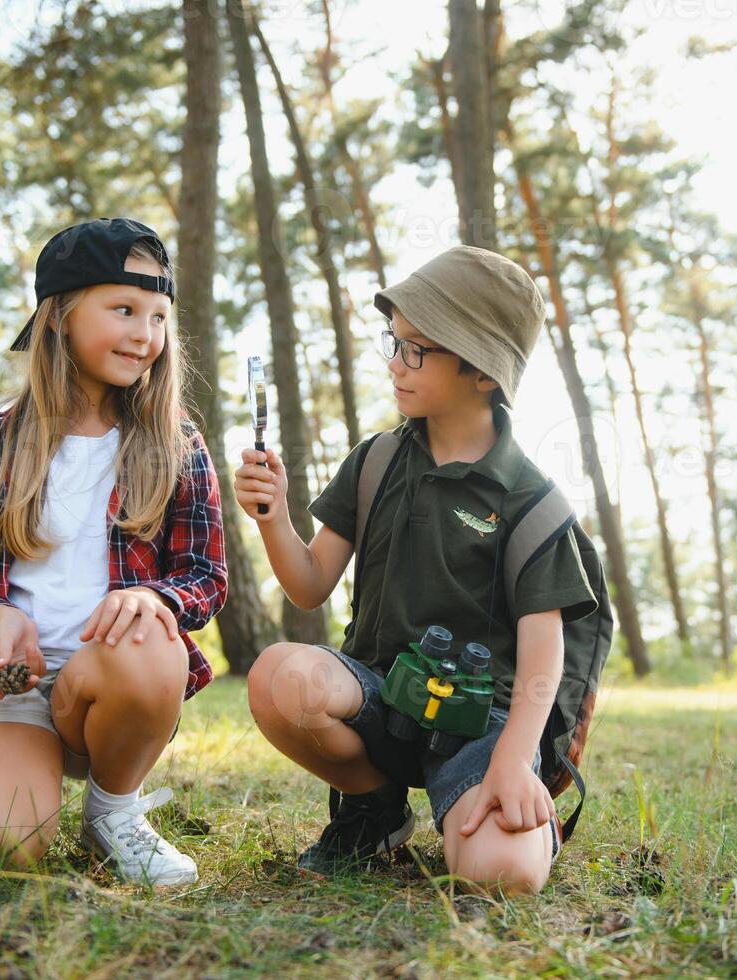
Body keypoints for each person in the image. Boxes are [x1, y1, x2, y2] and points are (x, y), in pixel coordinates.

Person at [234, 245, 597, 895]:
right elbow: (310, 583)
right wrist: (270, 516)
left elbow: (545, 652)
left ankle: (498, 813)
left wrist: (515, 761)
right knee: (276, 676)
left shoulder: (529, 501)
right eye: (393, 343)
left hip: (483, 726)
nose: (395, 365)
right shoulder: (374, 461)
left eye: (417, 351)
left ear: (483, 371)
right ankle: (375, 809)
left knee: (501, 877)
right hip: (381, 701)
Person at [0, 218, 227, 886]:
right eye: (123, 310)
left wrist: (152, 598)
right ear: (58, 316)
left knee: (146, 632)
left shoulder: (177, 444)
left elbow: (205, 576)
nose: (145, 334)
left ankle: (112, 811)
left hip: (113, 684)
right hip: (5, 685)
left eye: (158, 316)